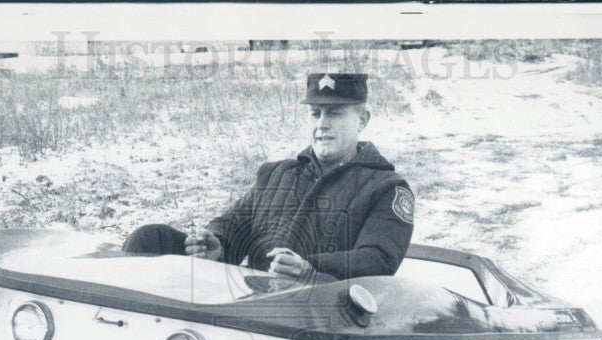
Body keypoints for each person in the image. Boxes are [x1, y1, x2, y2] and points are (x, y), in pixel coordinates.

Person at [122, 73, 415, 281]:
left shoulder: (386, 189)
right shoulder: (277, 174)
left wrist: (310, 269)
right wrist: (219, 242)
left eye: (335, 114)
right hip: (251, 308)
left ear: (362, 120)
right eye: (315, 113)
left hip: (324, 317)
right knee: (148, 239)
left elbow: (378, 259)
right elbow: (235, 223)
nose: (322, 124)